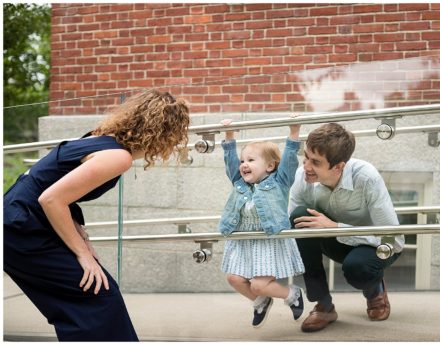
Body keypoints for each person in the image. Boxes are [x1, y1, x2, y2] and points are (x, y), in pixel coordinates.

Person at [3, 90, 189, 341]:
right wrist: (82, 253)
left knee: (91, 301)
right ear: (163, 132)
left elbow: (52, 185)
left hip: (18, 221)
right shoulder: (118, 156)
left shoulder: (101, 139)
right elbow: (51, 198)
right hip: (22, 227)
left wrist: (82, 235)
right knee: (99, 297)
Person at [288, 122, 403, 333]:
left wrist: (335, 227)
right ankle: (324, 305)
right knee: (298, 218)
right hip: (336, 239)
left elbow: (391, 239)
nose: (306, 166)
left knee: (358, 269)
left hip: (376, 247)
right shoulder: (303, 176)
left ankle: (374, 290)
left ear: (339, 166)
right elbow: (293, 232)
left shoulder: (366, 177)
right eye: (305, 157)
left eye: (315, 162)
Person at [218, 116, 305, 328]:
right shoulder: (240, 183)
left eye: (251, 160)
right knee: (234, 279)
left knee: (259, 284)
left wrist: (294, 131)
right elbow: (230, 163)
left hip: (267, 240)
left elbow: (290, 158)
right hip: (244, 240)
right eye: (243, 161)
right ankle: (262, 301)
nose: (244, 165)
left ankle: (292, 294)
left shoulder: (279, 181)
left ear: (270, 165)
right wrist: (229, 136)